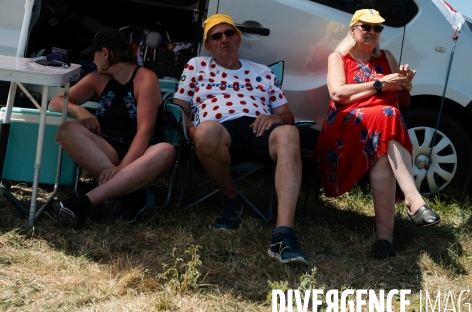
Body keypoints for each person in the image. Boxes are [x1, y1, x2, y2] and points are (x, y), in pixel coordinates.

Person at [174, 14, 307, 264]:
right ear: (209, 45)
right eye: (216, 36)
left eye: (229, 33)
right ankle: (232, 199)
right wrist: (192, 132)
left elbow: (286, 114)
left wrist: (277, 120)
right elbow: (178, 107)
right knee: (207, 131)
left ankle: (283, 234)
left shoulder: (263, 72)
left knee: (290, 133)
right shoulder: (196, 65)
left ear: (238, 39)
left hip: (260, 130)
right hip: (219, 133)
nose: (224, 39)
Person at [313, 9, 441, 259]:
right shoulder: (338, 58)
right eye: (366, 27)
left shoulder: (387, 57)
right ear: (353, 30)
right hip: (346, 127)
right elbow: (338, 95)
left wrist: (405, 83)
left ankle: (385, 239)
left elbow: (402, 100)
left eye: (378, 28)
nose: (372, 32)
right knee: (388, 116)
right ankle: (413, 199)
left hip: (380, 130)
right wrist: (380, 84)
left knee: (384, 142)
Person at [49, 28, 175, 228]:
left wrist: (122, 169)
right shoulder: (97, 78)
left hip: (142, 153)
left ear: (105, 53)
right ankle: (131, 193)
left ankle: (82, 203)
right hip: (108, 149)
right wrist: (79, 111)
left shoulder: (145, 78)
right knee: (66, 129)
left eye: (95, 53)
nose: (93, 59)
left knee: (166, 150)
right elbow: (55, 102)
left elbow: (145, 131)